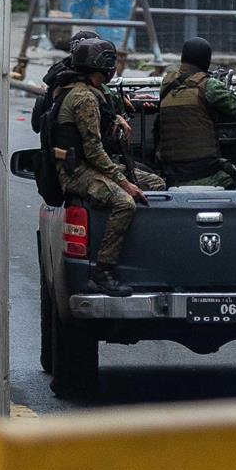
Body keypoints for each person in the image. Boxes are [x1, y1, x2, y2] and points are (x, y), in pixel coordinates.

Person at [54, 35, 166, 297]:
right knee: (124, 201)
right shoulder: (84, 99)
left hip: (89, 167)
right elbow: (93, 151)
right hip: (78, 172)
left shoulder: (86, 92)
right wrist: (124, 182)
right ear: (103, 66)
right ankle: (103, 271)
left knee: (155, 185)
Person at [153, 37, 236, 186]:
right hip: (205, 172)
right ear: (207, 60)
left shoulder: (167, 85)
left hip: (171, 173)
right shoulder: (209, 85)